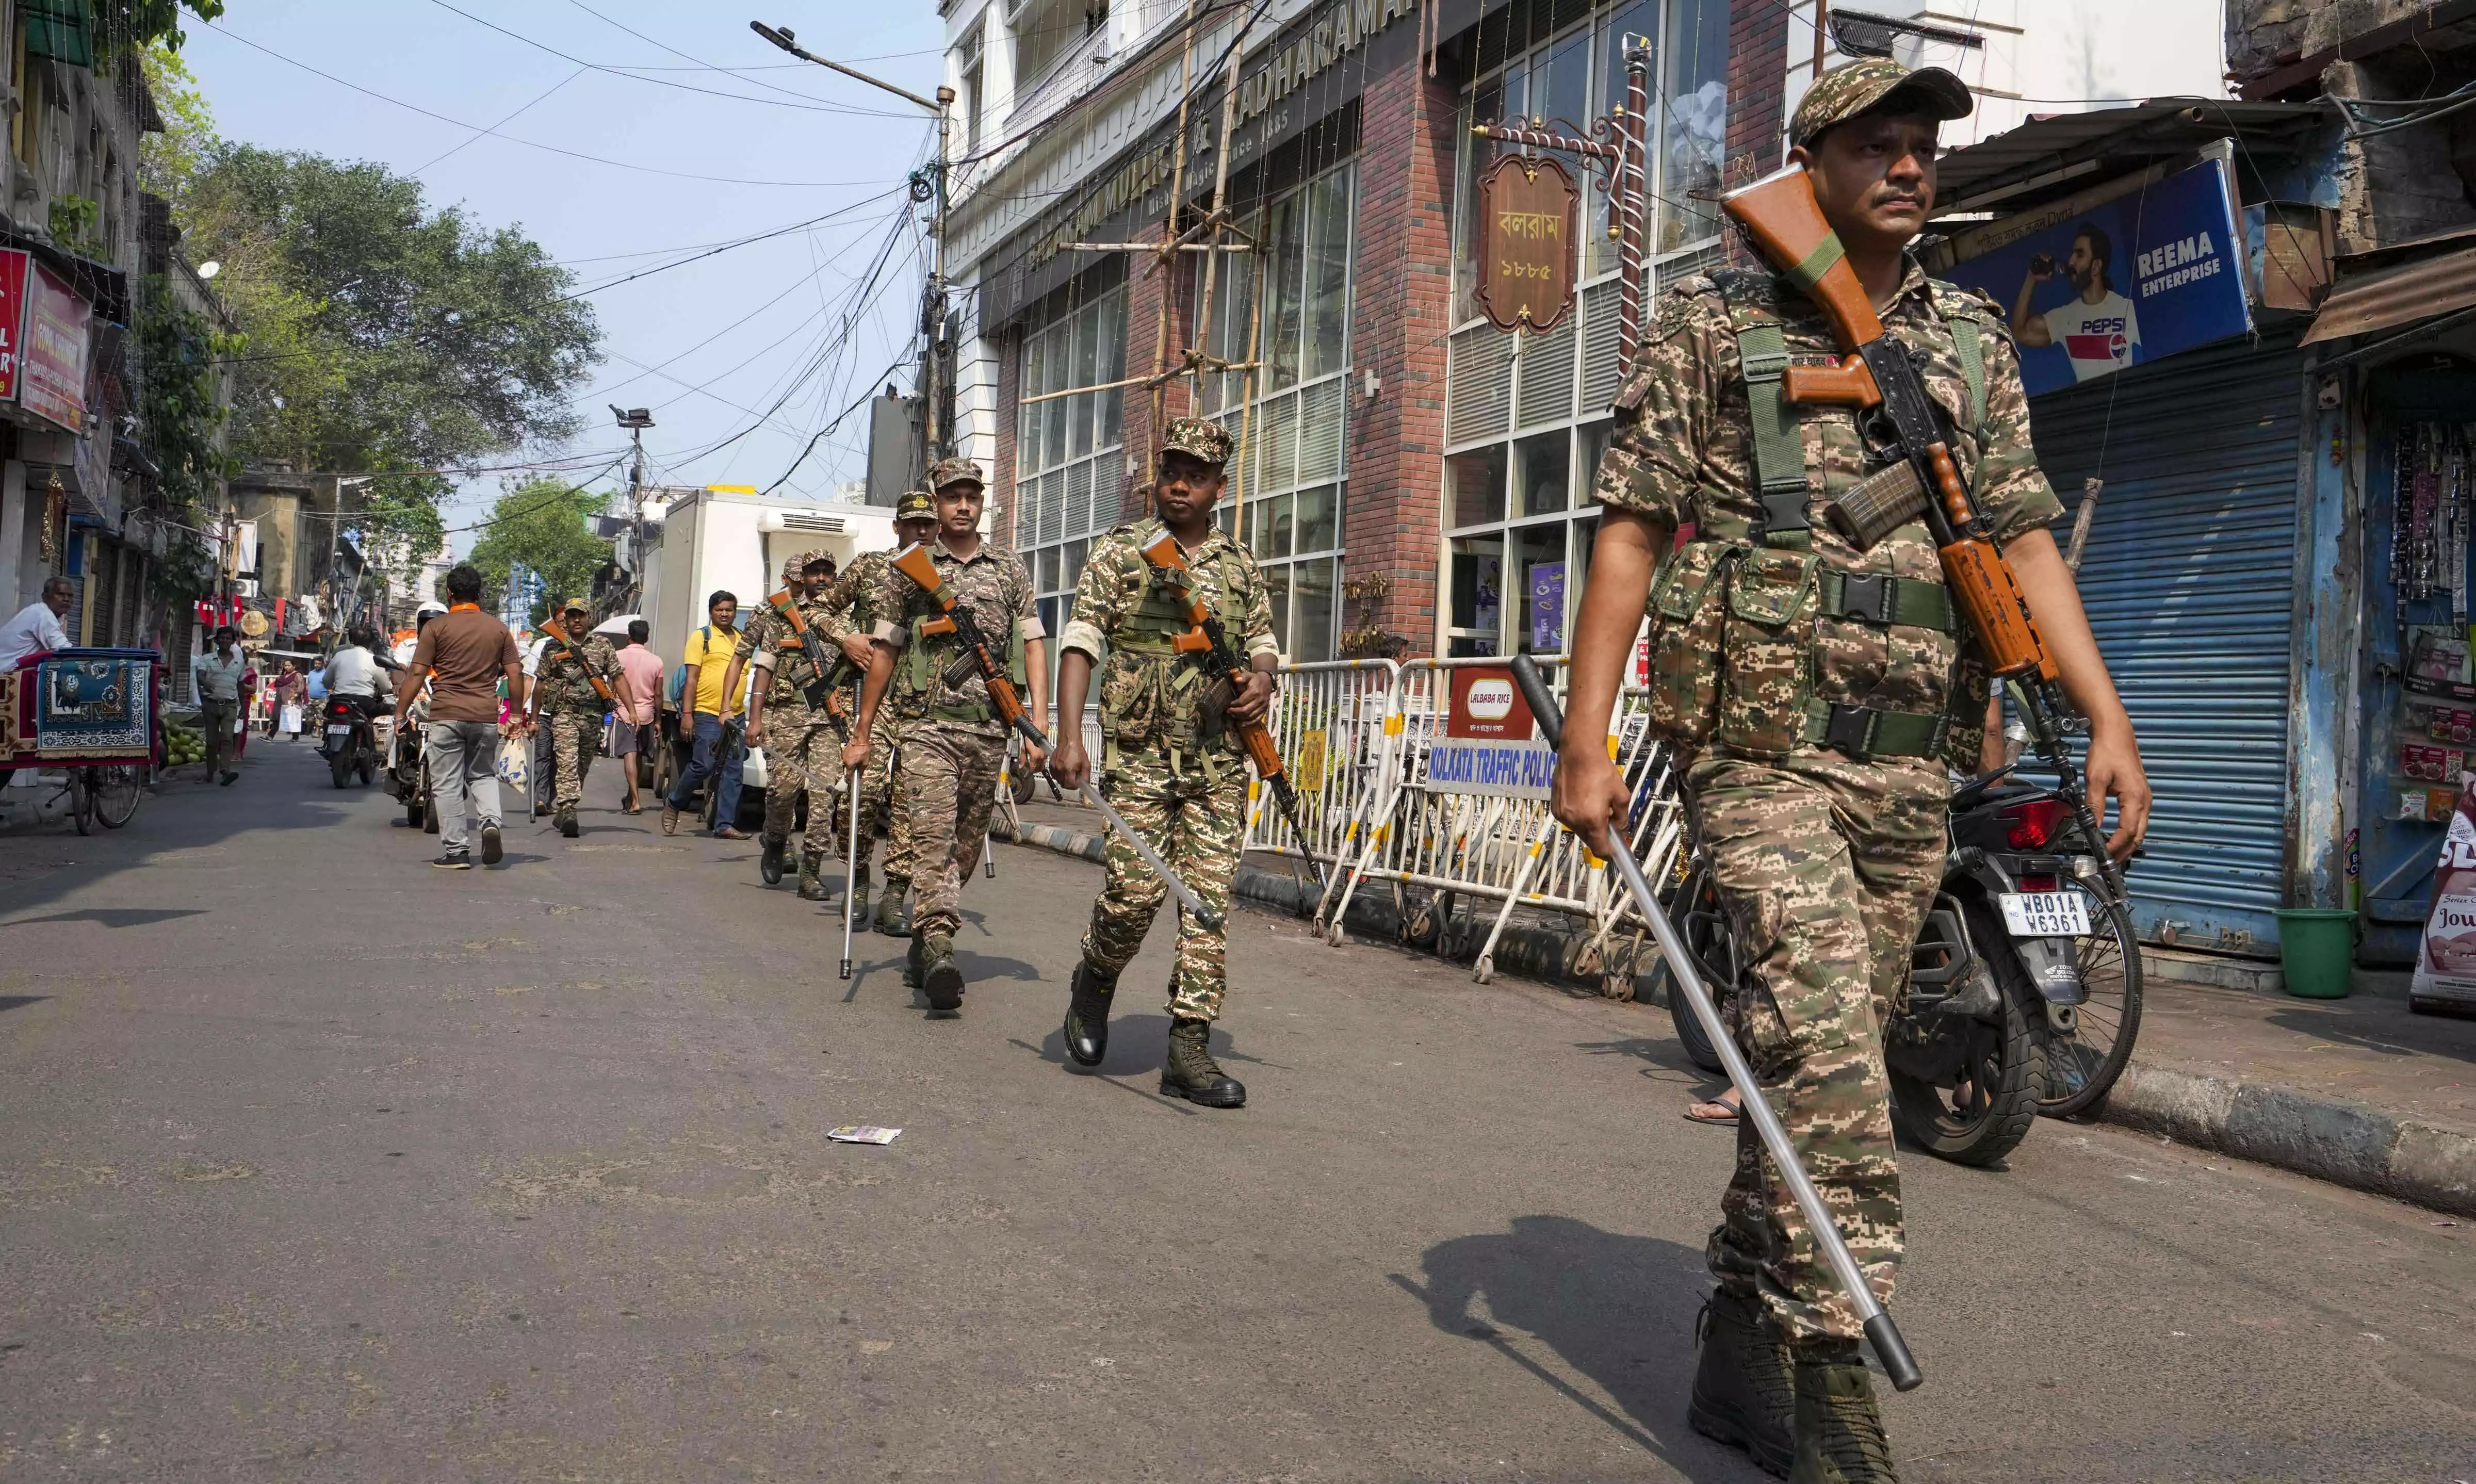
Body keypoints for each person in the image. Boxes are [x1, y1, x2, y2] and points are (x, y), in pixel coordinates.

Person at [1549, 59, 2153, 1479]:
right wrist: (1584, 737)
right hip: (1754, 754)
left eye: (1922, 145)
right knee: (1827, 1050)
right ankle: (1831, 1372)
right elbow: (1631, 530)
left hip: (1904, 771)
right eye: (1876, 144)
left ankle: (1735, 1340)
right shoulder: (1711, 326)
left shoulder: (1968, 337)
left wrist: (2105, 714)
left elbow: (2022, 535)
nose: (1908, 165)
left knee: (1811, 1066)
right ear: (1809, 162)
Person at [1050, 418, 1276, 1108]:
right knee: (1135, 895)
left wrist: (1264, 679)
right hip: (1141, 757)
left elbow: (1263, 640)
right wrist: (1070, 737)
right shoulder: (1122, 552)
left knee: (1206, 903)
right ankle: (1096, 977)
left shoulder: (1238, 564)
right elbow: (1081, 642)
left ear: (1219, 488)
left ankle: (1188, 1046)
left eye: (1196, 476)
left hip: (1217, 761)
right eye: (1171, 471)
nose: (1179, 485)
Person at [845, 457, 1048, 1018]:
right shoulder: (910, 569)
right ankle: (939, 946)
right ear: (935, 504)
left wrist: (1038, 722)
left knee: (963, 849)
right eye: (952, 497)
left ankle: (923, 936)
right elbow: (885, 650)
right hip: (926, 728)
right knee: (931, 839)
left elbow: (1034, 644)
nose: (963, 506)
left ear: (982, 502)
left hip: (989, 729)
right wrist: (863, 730)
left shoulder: (1009, 569)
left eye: (971, 497)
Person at [827, 493, 939, 933]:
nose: (922, 530)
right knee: (864, 789)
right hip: (874, 697)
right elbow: (817, 607)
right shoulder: (871, 566)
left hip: (925, 700)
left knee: (913, 800)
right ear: (897, 527)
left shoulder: (951, 573)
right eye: (912, 523)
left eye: (928, 523)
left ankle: (895, 893)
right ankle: (857, 878)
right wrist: (845, 636)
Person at [724, 551, 864, 899]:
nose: (822, 578)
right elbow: (764, 667)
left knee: (824, 796)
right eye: (815, 572)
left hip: (831, 719)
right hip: (786, 715)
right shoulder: (781, 615)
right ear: (803, 576)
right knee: (782, 792)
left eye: (828, 573)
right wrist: (755, 718)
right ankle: (775, 839)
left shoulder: (849, 618)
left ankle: (811, 871)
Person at [396, 563, 526, 869]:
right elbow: (515, 674)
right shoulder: (499, 629)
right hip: (485, 715)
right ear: (479, 594)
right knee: (482, 774)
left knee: (448, 783)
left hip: (446, 714)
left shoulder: (435, 628)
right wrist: (515, 715)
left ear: (449, 593)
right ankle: (490, 822)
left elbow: (416, 673)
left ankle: (457, 852)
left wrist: (400, 712)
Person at [524, 597, 621, 839]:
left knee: (581, 766)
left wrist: (631, 710)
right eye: (572, 616)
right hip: (564, 714)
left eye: (581, 615)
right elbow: (540, 683)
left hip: (593, 716)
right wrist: (533, 719)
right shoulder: (553, 646)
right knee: (566, 760)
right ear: (565, 620)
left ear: (590, 618)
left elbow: (618, 677)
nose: (577, 620)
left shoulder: (602, 645)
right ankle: (568, 808)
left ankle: (563, 809)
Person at [662, 590, 748, 839]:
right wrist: (687, 715)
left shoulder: (743, 639)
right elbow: (691, 679)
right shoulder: (702, 637)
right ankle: (675, 802)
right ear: (711, 612)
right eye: (720, 610)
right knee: (704, 764)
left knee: (734, 770)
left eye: (729, 610)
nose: (725, 614)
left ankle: (724, 825)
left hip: (736, 714)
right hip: (707, 712)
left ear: (735, 613)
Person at [2012, 223, 2140, 384]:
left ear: (2096, 266)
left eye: (2079, 255)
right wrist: (2031, 278)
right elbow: (2019, 333)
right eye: (2073, 254)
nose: (2071, 261)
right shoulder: (2066, 317)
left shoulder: (2128, 309)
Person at [611, 618, 664, 816]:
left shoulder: (617, 657)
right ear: (647, 638)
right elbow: (658, 695)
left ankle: (635, 801)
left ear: (629, 637)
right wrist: (658, 721)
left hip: (624, 713)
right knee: (639, 755)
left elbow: (611, 687)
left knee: (629, 755)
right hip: (647, 714)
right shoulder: (657, 661)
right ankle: (630, 797)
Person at [189, 625, 247, 786]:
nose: (225, 641)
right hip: (211, 705)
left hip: (230, 705)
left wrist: (243, 708)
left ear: (233, 642)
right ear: (217, 641)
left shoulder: (239, 662)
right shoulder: (207, 659)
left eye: (228, 639)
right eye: (222, 638)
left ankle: (225, 771)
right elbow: (200, 675)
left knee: (228, 738)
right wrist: (205, 683)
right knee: (212, 741)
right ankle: (210, 773)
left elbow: (240, 686)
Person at [0, 575, 73, 668]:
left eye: (70, 596)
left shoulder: (42, 612)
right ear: (45, 597)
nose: (66, 599)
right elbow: (66, 650)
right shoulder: (43, 614)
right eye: (60, 595)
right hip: (6, 673)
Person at [323, 626, 392, 718]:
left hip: (339, 699)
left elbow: (326, 681)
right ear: (371, 643)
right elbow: (386, 687)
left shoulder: (339, 655)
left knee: (328, 718)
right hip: (364, 702)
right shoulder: (374, 659)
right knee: (389, 711)